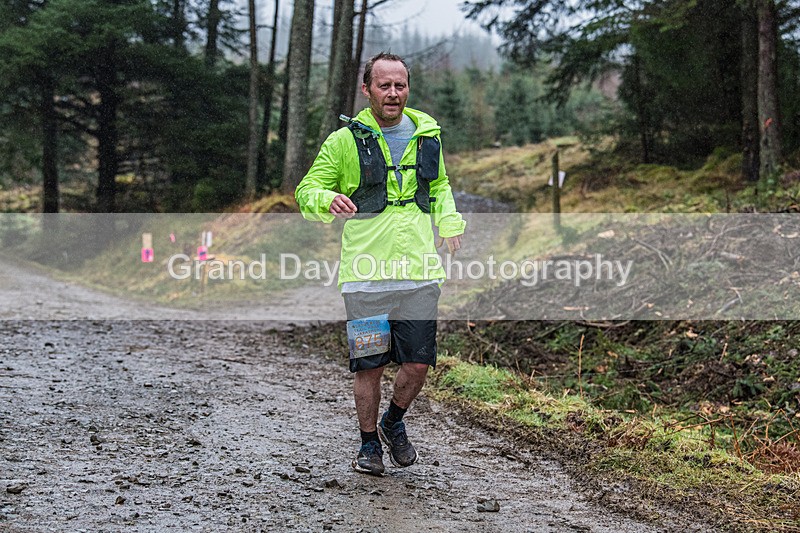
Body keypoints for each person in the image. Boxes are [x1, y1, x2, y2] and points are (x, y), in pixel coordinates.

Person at [295, 52, 466, 476]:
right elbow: (307, 189)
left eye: (400, 85)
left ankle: (394, 422)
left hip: (420, 272)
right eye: (384, 85)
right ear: (367, 88)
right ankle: (369, 443)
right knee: (369, 364)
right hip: (366, 275)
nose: (393, 93)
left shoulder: (428, 134)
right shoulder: (343, 141)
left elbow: (440, 185)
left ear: (408, 87)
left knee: (418, 362)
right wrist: (325, 200)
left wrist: (448, 222)